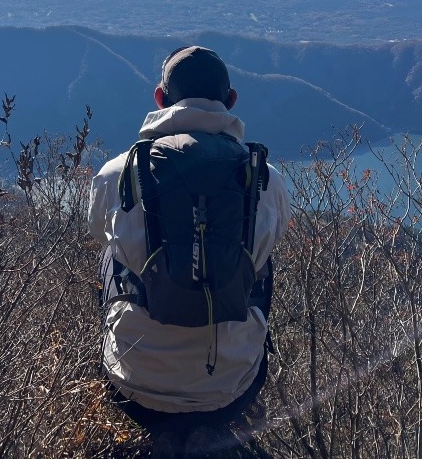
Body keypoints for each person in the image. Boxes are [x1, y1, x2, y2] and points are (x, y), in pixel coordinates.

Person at [88, 46, 291, 457]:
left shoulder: (119, 173)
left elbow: (97, 233)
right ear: (231, 101)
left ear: (160, 99)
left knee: (111, 254)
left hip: (133, 387)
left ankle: (161, 422)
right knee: (259, 259)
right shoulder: (265, 181)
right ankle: (210, 429)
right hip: (233, 386)